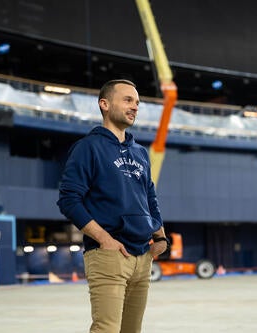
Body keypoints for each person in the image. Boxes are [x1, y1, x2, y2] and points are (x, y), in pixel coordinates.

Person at [57, 79, 168, 333]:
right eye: (128, 100)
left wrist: (160, 237)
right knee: (106, 329)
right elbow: (69, 199)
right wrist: (104, 239)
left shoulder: (140, 152)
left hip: (143, 256)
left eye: (137, 103)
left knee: (132, 330)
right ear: (104, 104)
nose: (135, 107)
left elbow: (150, 197)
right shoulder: (88, 148)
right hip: (109, 254)